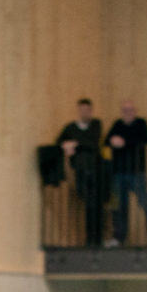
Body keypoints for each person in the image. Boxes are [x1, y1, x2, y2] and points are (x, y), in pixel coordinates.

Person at [105, 100, 147, 248]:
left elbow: (144, 139)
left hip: (136, 172)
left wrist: (123, 142)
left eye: (130, 110)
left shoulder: (141, 124)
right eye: (124, 110)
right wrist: (113, 140)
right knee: (118, 206)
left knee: (146, 203)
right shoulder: (117, 124)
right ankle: (118, 237)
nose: (127, 113)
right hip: (119, 172)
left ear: (134, 111)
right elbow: (106, 140)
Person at [57, 98, 106, 246]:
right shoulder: (70, 127)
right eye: (82, 110)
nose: (85, 113)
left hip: (96, 170)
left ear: (91, 111)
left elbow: (93, 143)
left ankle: (97, 238)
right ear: (78, 111)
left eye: (87, 110)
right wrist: (67, 145)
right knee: (88, 203)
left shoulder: (96, 124)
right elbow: (59, 142)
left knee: (97, 204)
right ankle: (90, 238)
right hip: (81, 170)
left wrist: (75, 143)